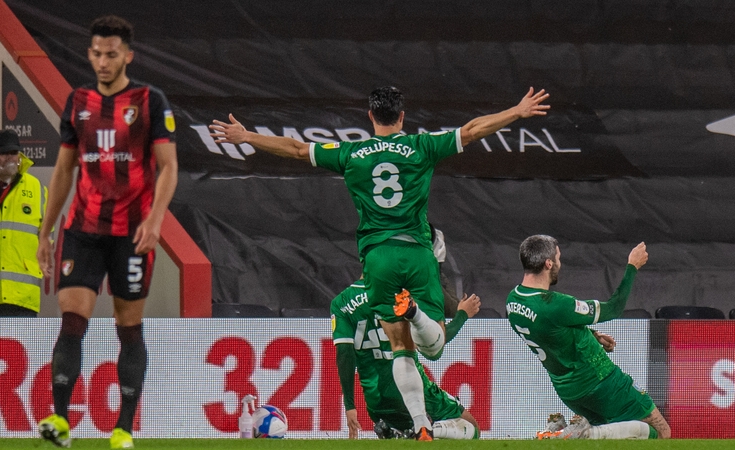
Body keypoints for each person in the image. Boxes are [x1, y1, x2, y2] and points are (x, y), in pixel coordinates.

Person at [210, 85, 549, 440]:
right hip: (417, 253)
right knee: (433, 348)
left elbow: (295, 149)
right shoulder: (421, 147)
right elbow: (472, 130)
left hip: (378, 258)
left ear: (370, 116)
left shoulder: (351, 153)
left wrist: (246, 135)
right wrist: (516, 111)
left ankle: (421, 427)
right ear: (402, 116)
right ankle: (416, 316)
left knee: (400, 346)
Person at [35, 15, 178, 449]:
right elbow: (63, 170)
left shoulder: (150, 101)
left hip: (132, 232)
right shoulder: (77, 101)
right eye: (96, 53)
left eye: (111, 54)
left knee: (127, 327)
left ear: (127, 56)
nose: (102, 61)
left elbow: (169, 167)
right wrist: (46, 232)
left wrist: (155, 220)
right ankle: (60, 422)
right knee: (72, 321)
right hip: (82, 227)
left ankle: (124, 428)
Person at [506, 235, 671, 439]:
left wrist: (591, 335)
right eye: (558, 258)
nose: (560, 263)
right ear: (548, 263)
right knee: (661, 432)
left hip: (568, 391)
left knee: (617, 438)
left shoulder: (513, 301)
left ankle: (564, 432)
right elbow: (613, 309)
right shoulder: (555, 303)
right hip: (600, 380)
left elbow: (550, 332)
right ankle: (587, 434)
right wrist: (632, 266)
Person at [330, 277, 481, 440]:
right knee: (471, 427)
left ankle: (399, 435)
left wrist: (350, 406)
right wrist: (462, 315)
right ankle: (427, 430)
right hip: (413, 389)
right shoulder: (400, 296)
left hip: (376, 401)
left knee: (420, 442)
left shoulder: (341, 303)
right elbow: (435, 341)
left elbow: (344, 355)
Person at [0, 130, 47, 317]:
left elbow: (47, 237)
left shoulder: (36, 189)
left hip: (23, 299)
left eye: (14, 152)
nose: (10, 158)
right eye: (3, 153)